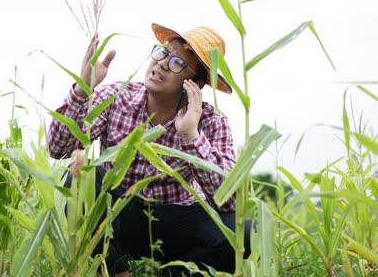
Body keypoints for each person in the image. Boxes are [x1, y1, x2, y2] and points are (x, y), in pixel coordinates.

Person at [46, 23, 250, 276]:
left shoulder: (210, 121)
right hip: (118, 218)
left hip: (175, 221)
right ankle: (116, 271)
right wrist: (82, 90)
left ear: (194, 83)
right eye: (163, 53)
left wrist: (191, 136)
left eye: (177, 63)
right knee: (82, 176)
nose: (163, 64)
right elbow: (58, 149)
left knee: (246, 231)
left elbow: (229, 200)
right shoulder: (117, 96)